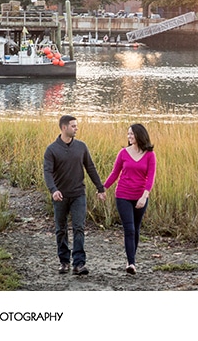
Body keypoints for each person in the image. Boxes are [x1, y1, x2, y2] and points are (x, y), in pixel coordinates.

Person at [44, 115, 106, 275]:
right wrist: (53, 190)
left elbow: (90, 168)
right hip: (60, 196)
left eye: (76, 126)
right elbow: (48, 172)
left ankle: (79, 264)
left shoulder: (81, 147)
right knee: (61, 229)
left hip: (79, 194)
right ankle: (64, 261)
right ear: (64, 128)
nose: (76, 128)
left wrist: (100, 188)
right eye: (73, 126)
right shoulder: (52, 150)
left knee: (79, 227)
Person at [104, 123, 156, 275]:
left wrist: (144, 196)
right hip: (123, 195)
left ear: (140, 135)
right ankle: (131, 263)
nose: (129, 137)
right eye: (128, 134)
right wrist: (103, 188)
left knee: (136, 228)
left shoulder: (150, 155)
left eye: (132, 134)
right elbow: (115, 173)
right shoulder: (123, 153)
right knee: (129, 228)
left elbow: (150, 177)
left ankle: (130, 258)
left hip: (140, 196)